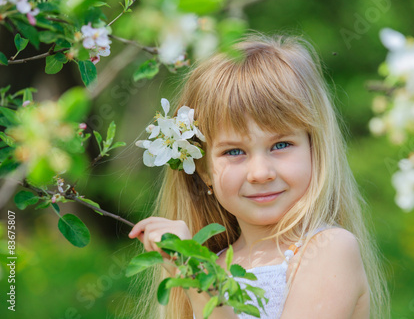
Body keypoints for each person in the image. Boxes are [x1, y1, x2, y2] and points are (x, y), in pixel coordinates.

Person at [128, 34, 390, 319]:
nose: (260, 173)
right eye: (234, 152)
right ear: (202, 169)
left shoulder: (329, 251)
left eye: (280, 145)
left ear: (316, 148)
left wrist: (197, 277)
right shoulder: (212, 264)